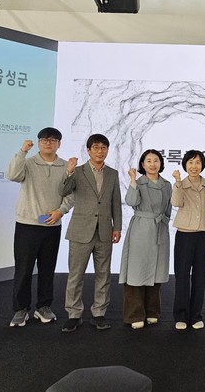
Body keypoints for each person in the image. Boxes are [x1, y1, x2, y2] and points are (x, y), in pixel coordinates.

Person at [5, 127, 72, 327]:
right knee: (23, 269)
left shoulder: (66, 166)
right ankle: (21, 309)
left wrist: (61, 211)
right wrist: (22, 151)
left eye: (53, 140)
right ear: (39, 143)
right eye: (44, 140)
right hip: (27, 224)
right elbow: (12, 175)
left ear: (59, 144)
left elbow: (71, 194)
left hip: (52, 225)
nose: (48, 143)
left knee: (47, 269)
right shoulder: (28, 163)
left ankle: (43, 306)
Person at [60, 133, 122, 333]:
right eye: (96, 147)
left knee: (103, 275)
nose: (100, 151)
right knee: (75, 275)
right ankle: (74, 314)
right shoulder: (78, 171)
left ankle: (99, 313)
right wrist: (69, 172)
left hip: (104, 231)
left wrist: (117, 227)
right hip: (80, 231)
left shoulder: (112, 173)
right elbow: (63, 191)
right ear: (88, 150)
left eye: (103, 147)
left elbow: (115, 202)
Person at [119, 149, 172, 329]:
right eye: (148, 161)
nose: (152, 164)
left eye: (156, 160)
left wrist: (165, 224)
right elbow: (131, 201)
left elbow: (168, 209)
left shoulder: (167, 185)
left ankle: (152, 311)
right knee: (136, 271)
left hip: (160, 229)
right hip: (141, 229)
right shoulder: (139, 182)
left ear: (161, 163)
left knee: (157, 270)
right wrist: (133, 181)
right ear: (142, 164)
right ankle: (134, 314)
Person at [171, 150, 205, 330]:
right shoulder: (180, 184)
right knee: (182, 276)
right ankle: (181, 316)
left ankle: (195, 316)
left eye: (198, 162)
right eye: (191, 162)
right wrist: (178, 182)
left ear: (202, 165)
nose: (194, 166)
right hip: (184, 235)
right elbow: (176, 203)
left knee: (199, 277)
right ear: (185, 165)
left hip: (203, 236)